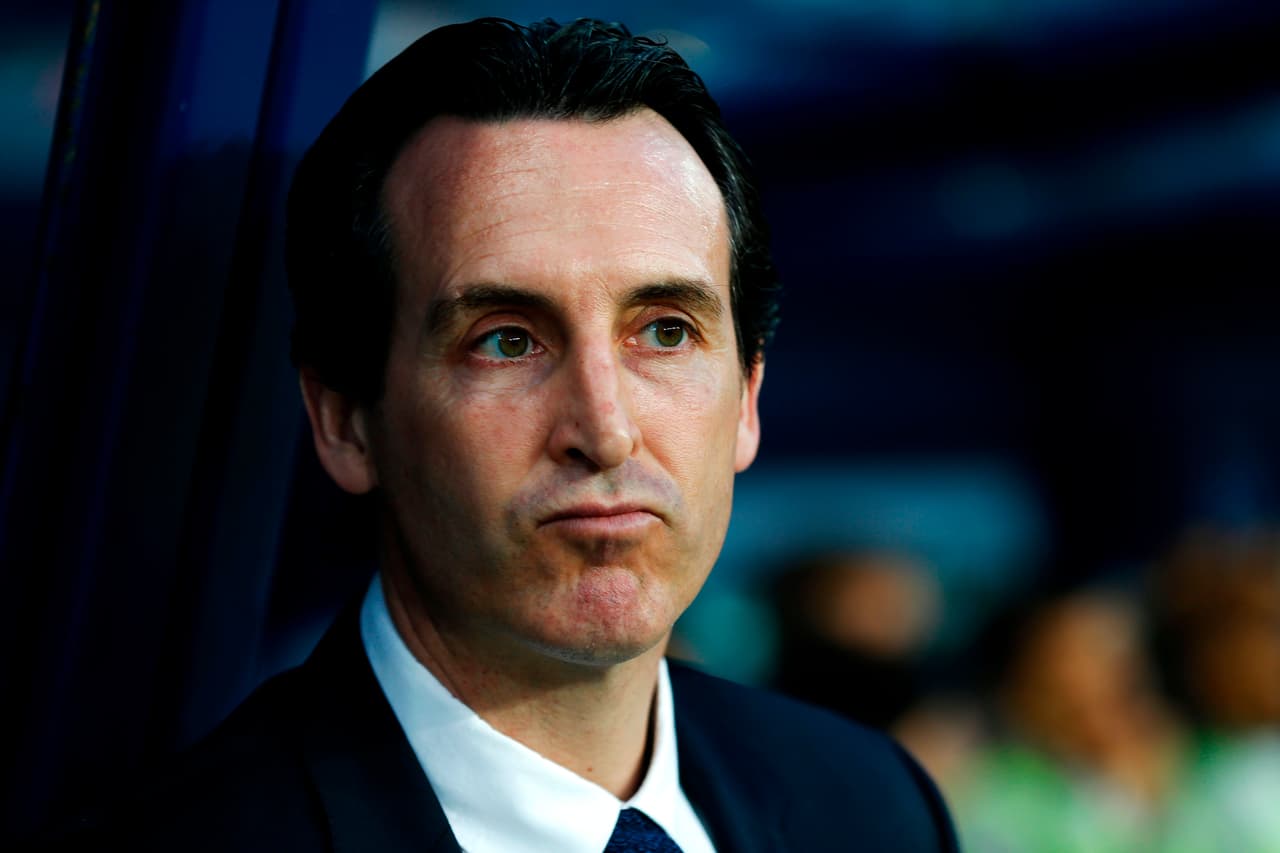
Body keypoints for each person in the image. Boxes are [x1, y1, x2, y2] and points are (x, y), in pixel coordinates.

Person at [62, 17, 957, 852]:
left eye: (665, 330)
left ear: (748, 396)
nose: (605, 432)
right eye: (506, 341)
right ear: (345, 419)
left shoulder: (873, 807)